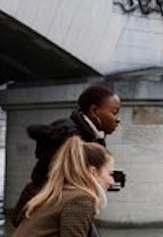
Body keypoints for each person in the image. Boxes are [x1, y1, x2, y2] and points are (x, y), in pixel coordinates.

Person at [10, 85, 122, 227]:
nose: (118, 119)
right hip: (43, 213)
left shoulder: (88, 135)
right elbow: (58, 180)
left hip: (47, 210)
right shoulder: (70, 138)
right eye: (114, 112)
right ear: (94, 111)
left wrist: (107, 178)